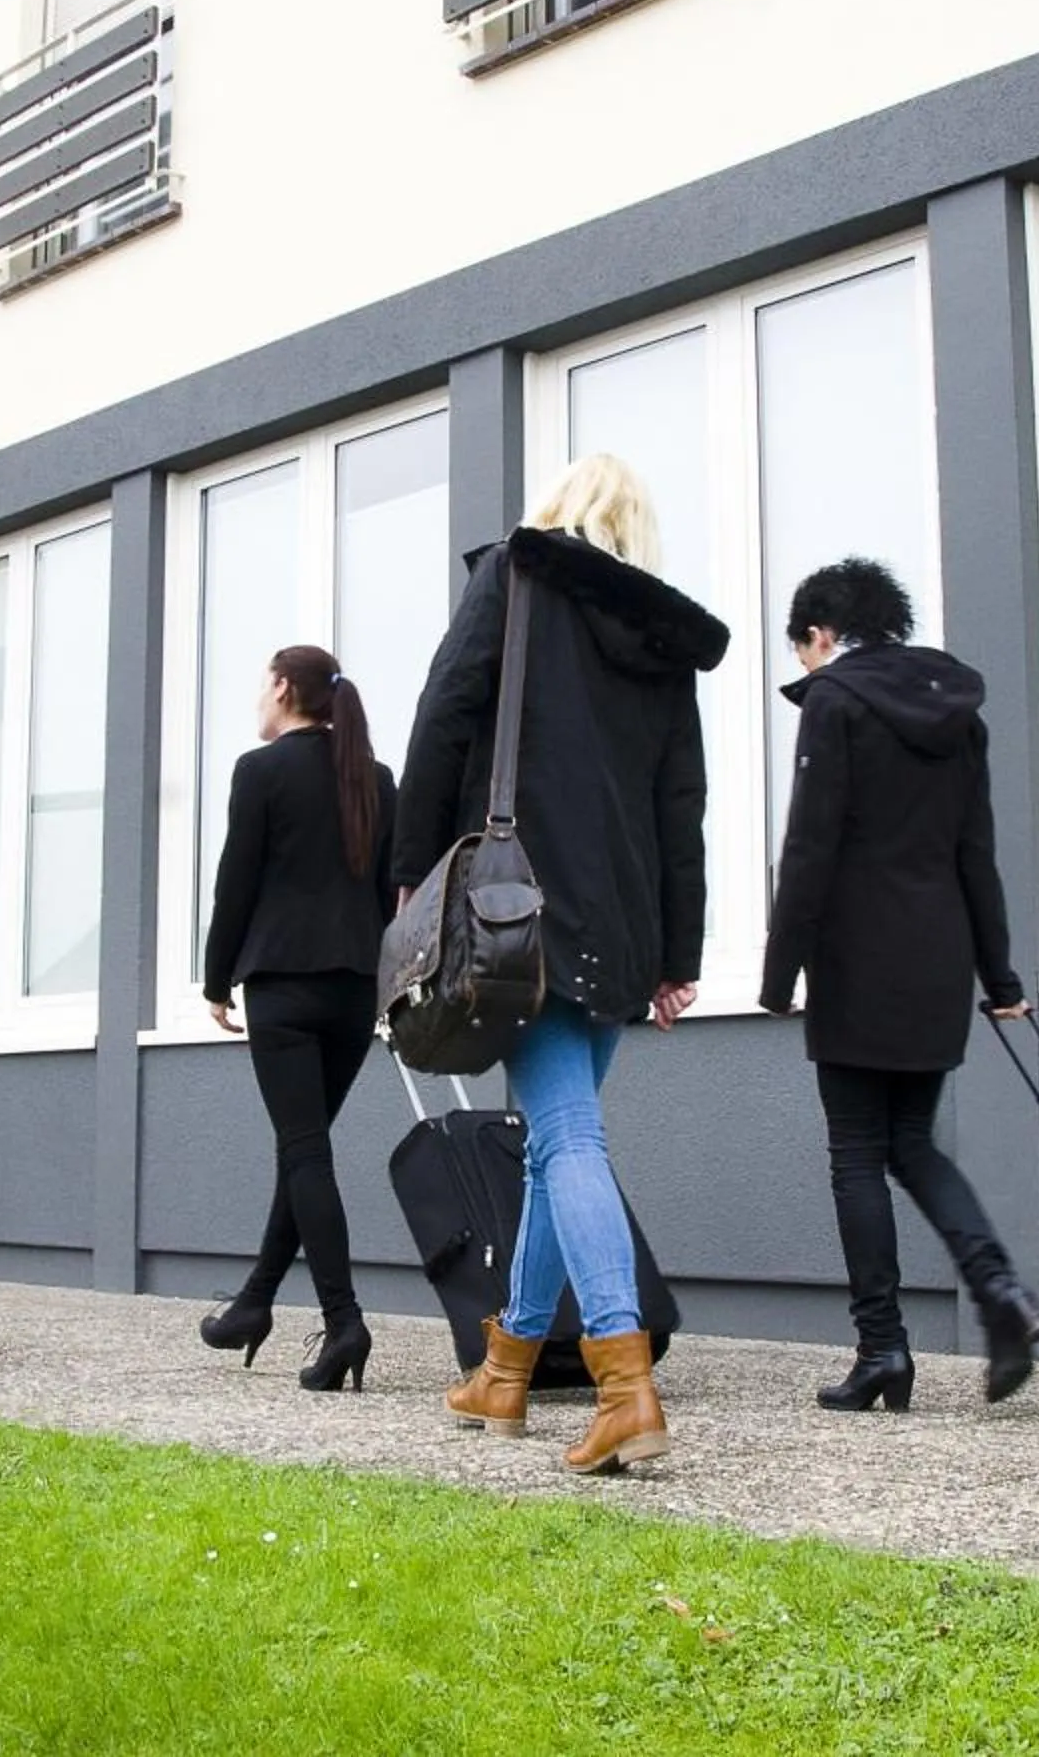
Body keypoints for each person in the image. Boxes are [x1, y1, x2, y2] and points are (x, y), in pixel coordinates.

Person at [400, 454, 727, 1475]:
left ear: (558, 511)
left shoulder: (517, 579)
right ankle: (505, 1367)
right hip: (623, 923)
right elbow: (684, 804)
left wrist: (414, 884)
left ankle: (627, 1386)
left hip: (519, 911)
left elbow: (443, 717)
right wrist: (680, 952)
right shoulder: (663, 639)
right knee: (552, 1144)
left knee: (568, 1135)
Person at [758, 556, 1039, 1414]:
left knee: (857, 1154)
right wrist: (998, 978)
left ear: (820, 634)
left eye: (802, 652)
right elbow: (975, 856)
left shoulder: (837, 704)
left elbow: (809, 848)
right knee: (912, 1143)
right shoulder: (958, 714)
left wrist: (779, 977)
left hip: (856, 955)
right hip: (935, 958)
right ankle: (996, 1288)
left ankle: (883, 1349)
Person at [198, 645, 398, 1392]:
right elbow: (389, 899)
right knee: (303, 1150)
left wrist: (216, 982)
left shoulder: (261, 772)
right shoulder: (373, 779)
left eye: (263, 685)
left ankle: (344, 1322)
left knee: (305, 1152)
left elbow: (234, 886)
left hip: (282, 987)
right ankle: (253, 1303)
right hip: (353, 992)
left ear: (284, 689)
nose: (260, 698)